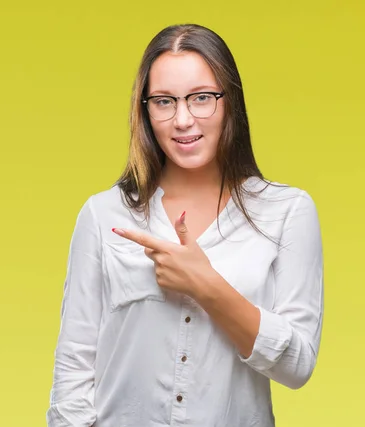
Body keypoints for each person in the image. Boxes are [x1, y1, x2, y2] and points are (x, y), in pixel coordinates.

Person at [46, 23, 324, 427]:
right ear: (145, 110)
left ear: (230, 102)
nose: (182, 119)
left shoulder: (286, 212)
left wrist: (205, 284)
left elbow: (296, 365)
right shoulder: (103, 214)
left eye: (201, 98)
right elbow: (74, 368)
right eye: (163, 101)